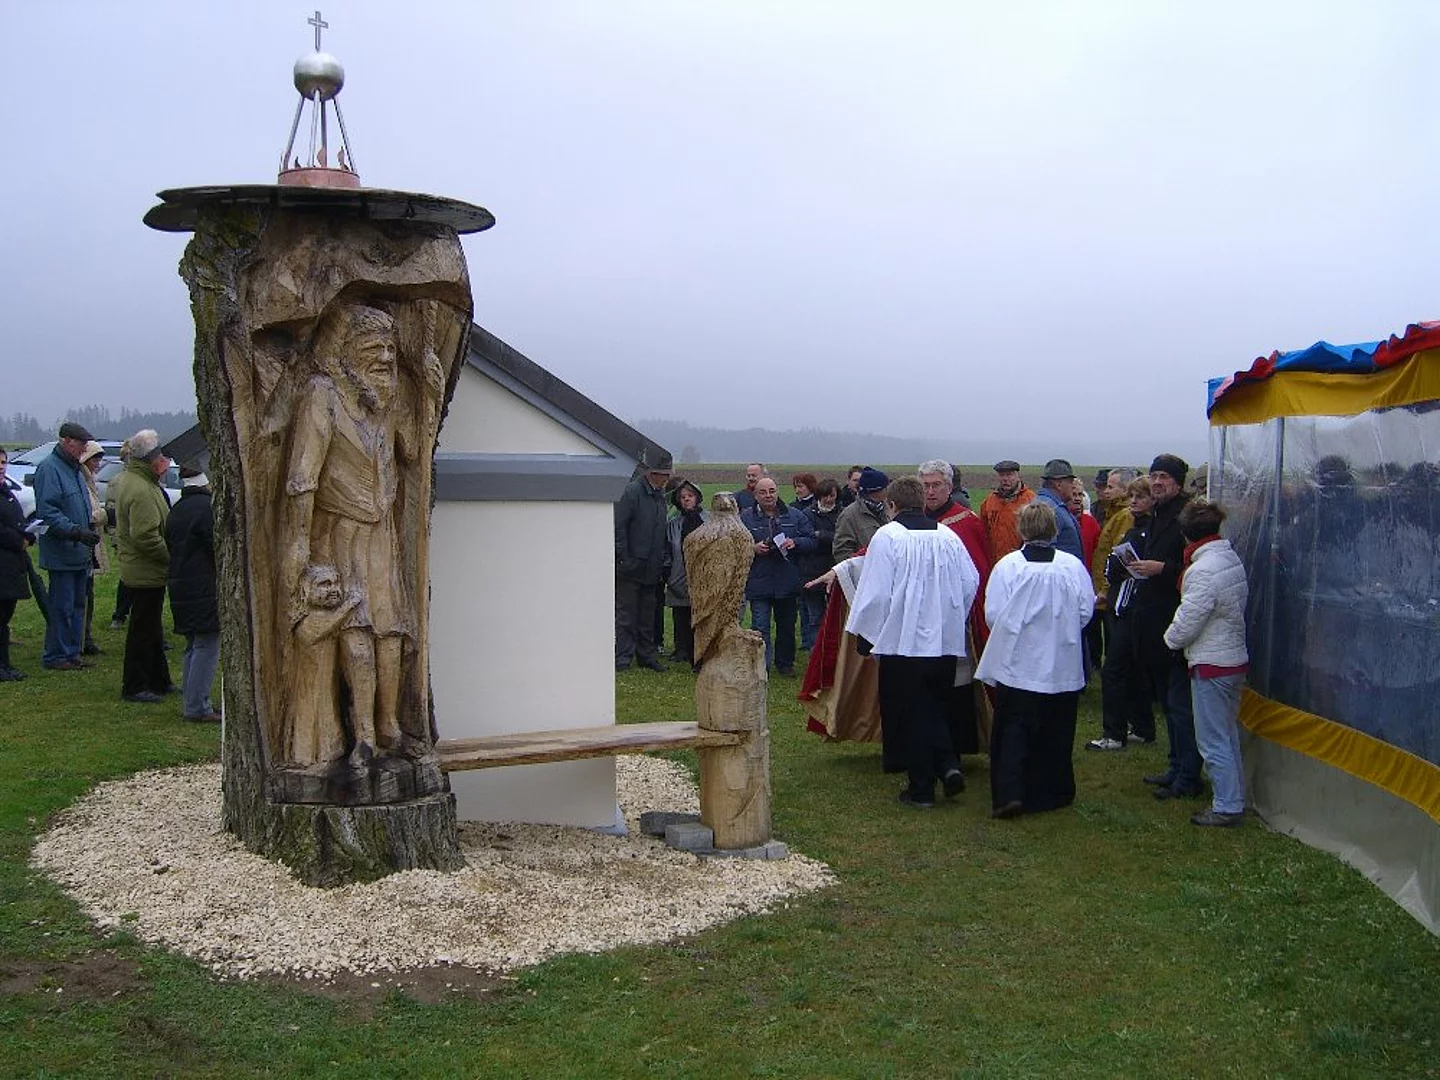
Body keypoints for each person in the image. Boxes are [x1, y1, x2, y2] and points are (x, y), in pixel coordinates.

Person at [847, 476, 980, 808]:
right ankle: (947, 764)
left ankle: (922, 789)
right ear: (922, 502)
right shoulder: (948, 536)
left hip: (902, 642)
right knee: (934, 707)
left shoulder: (888, 536)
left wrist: (867, 635)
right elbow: (970, 581)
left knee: (912, 714)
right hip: (944, 642)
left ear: (891, 505)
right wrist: (952, 617)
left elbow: (877, 592)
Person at [975, 502, 1095, 819]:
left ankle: (1010, 792)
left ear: (1021, 530)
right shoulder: (1071, 566)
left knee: (1014, 728)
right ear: (1054, 530)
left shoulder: (1008, 566)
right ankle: (1051, 792)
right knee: (1056, 729)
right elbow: (1085, 611)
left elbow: (993, 614)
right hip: (1061, 662)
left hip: (1018, 664)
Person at [1164, 500, 1250, 827]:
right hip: (1232, 658)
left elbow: (1189, 619)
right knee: (1226, 734)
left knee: (1212, 739)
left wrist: (1169, 640)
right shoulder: (1228, 558)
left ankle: (1227, 804)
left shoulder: (1201, 570)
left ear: (1187, 534)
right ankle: (1236, 796)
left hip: (1212, 661)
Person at [1131, 454, 1202, 800]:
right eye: (1154, 475)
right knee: (1168, 702)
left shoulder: (1187, 517)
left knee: (1179, 705)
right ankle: (1175, 765)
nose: (1157, 482)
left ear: (1178, 482)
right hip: (1155, 620)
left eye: (1164, 477)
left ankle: (1188, 775)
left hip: (1177, 620)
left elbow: (1196, 569)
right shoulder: (1158, 513)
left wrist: (1163, 569)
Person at [918, 460, 993, 759]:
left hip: (956, 617)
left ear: (949, 487)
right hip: (920, 617)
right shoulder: (912, 519)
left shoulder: (966, 522)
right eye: (925, 486)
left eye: (936, 485)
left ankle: (957, 745)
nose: (930, 491)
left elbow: (979, 571)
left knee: (957, 681)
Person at [1087, 473, 1154, 751]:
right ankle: (1142, 727)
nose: (1134, 501)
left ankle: (1113, 734)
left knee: (1114, 670)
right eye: (1132, 496)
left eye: (1141, 497)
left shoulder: (1143, 530)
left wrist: (1112, 574)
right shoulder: (1134, 524)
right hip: (1123, 601)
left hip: (1129, 605)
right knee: (1134, 668)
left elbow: (1119, 566)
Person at [32, 421, 103, 671]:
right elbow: (48, 512)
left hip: (79, 551)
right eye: (81, 444)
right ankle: (56, 655)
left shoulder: (74, 470)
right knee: (62, 606)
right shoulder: (50, 470)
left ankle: (72, 653)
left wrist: (89, 528)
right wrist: (75, 532)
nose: (84, 449)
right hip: (62, 552)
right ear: (66, 441)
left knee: (77, 605)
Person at [113, 429, 173, 703]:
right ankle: (135, 685)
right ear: (149, 459)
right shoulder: (141, 489)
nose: (163, 461)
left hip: (143, 568)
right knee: (142, 629)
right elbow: (145, 536)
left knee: (151, 627)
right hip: (145, 569)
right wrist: (170, 557)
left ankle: (159, 679)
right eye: (158, 455)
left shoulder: (137, 481)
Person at [741, 477, 816, 674]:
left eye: (772, 491)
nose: (768, 495)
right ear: (755, 495)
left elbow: (811, 540)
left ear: (778, 492)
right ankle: (761, 666)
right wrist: (753, 548)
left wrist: (795, 543)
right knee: (760, 626)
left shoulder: (795, 515)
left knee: (786, 627)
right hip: (759, 581)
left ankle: (785, 664)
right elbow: (735, 545)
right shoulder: (745, 518)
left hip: (787, 581)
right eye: (763, 492)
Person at [166, 465, 221, 722]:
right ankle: (197, 705)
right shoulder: (206, 509)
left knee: (192, 645)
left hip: (180, 584)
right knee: (207, 644)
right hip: (203, 586)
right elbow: (216, 547)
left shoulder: (177, 510)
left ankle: (192, 699)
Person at [615, 457, 673, 671]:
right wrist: (624, 558)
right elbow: (619, 527)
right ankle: (623, 657)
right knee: (627, 615)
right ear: (652, 474)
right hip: (630, 565)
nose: (666, 479)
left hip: (652, 566)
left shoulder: (659, 496)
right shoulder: (632, 492)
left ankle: (646, 656)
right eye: (664, 475)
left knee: (647, 615)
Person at [662, 479, 706, 668]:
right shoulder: (673, 525)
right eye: (683, 497)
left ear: (697, 498)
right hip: (679, 573)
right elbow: (667, 550)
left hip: (704, 575)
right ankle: (681, 649)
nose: (687, 499)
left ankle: (701, 649)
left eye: (690, 496)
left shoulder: (708, 521)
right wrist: (668, 572)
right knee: (680, 613)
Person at [0, 447, 33, 681]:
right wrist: (17, 540)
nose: (1, 467)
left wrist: (29, 534)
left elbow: (16, 521)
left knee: (4, 617)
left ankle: (5, 664)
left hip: (11, 564)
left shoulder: (7, 493)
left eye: (3, 462)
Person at [798, 478, 841, 651]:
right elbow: (808, 539)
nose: (829, 499)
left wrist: (822, 534)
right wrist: (827, 538)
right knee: (815, 617)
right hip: (811, 571)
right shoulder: (807, 514)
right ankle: (815, 652)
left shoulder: (843, 514)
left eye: (832, 495)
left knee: (835, 616)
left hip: (835, 569)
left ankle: (833, 651)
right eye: (825, 496)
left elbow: (841, 539)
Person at [78, 441, 110, 656]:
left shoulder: (90, 481)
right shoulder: (81, 481)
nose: (98, 464)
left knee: (89, 594)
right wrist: (105, 515)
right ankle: (81, 638)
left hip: (91, 542)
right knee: (83, 594)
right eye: (95, 460)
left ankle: (85, 636)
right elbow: (87, 513)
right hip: (85, 543)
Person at [979, 460, 1036, 561]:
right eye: (1002, 475)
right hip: (995, 561)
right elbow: (983, 532)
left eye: (1009, 475)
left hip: (1021, 560)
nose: (1005, 479)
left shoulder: (1030, 500)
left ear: (1018, 476)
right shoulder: (989, 501)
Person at [832, 467, 889, 561]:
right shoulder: (848, 516)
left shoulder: (890, 510)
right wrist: (865, 561)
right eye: (884, 488)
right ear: (875, 491)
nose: (887, 490)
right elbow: (841, 552)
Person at [1033, 459, 1084, 562]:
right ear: (1059, 484)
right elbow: (1043, 553)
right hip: (1059, 571)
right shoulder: (1049, 509)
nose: (1073, 486)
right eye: (1070, 482)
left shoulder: (1048, 504)